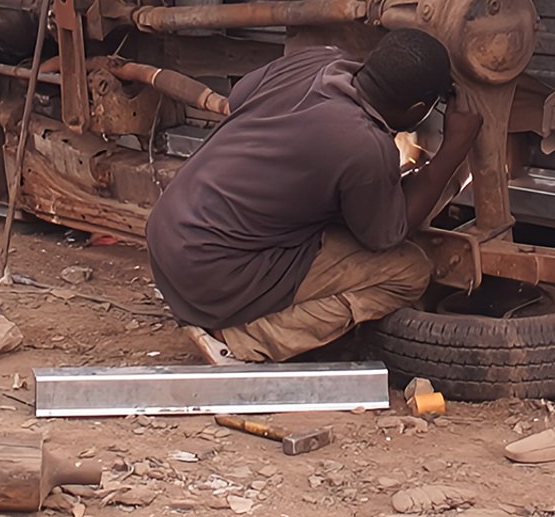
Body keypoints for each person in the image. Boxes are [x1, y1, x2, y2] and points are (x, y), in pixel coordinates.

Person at [145, 29, 483, 365]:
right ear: (418, 109)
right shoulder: (363, 145)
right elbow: (386, 235)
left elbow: (238, 100)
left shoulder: (316, 59)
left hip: (168, 236)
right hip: (211, 273)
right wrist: (454, 148)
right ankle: (240, 340)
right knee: (407, 270)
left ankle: (216, 309)